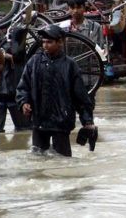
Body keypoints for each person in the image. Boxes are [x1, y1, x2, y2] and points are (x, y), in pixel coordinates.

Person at [16, 25, 96, 157]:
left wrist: (87, 121)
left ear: (60, 42)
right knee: (37, 159)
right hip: (39, 121)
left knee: (63, 161)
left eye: (49, 42)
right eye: (43, 42)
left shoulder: (70, 65)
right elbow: (23, 87)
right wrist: (24, 102)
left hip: (61, 123)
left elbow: (81, 97)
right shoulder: (34, 62)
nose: (45, 45)